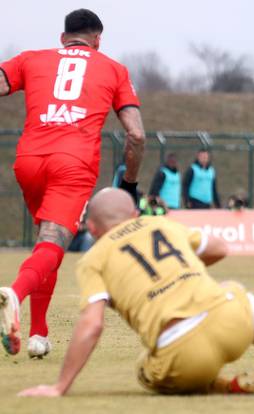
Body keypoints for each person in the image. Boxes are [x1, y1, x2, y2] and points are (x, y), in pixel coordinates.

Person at [17, 188, 254, 397]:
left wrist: (60, 387)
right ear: (134, 214)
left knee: (144, 370)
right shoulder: (164, 225)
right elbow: (221, 247)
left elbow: (92, 325)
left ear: (93, 229)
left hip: (182, 356)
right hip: (230, 323)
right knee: (236, 291)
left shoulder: (92, 260)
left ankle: (226, 386)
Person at [0, 9, 145, 358]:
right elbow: (136, 135)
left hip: (29, 161)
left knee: (45, 245)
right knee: (53, 242)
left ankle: (38, 334)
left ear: (63, 38)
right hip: (73, 164)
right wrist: (129, 182)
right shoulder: (113, 69)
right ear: (98, 39)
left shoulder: (30, 59)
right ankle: (13, 295)